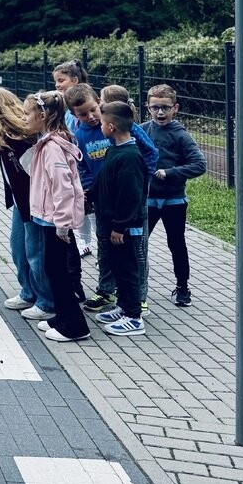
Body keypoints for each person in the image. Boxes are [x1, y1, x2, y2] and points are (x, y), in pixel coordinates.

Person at [66, 83, 157, 315]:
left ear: (99, 102)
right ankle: (106, 291)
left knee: (137, 251)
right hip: (103, 202)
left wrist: (140, 182)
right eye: (82, 114)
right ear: (74, 115)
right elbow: (82, 166)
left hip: (130, 201)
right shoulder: (78, 135)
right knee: (105, 249)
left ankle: (139, 298)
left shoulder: (121, 125)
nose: (90, 117)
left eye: (93, 110)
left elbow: (150, 152)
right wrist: (89, 190)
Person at [0, 88, 51, 318]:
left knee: (34, 251)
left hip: (32, 203)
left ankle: (46, 302)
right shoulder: (7, 136)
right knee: (19, 247)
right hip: (21, 202)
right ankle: (28, 292)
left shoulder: (18, 137)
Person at [24, 90, 89, 342]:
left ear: (43, 115)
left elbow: (63, 186)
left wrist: (62, 224)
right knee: (53, 268)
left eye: (26, 113)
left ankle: (75, 325)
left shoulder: (53, 146)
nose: (23, 118)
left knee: (57, 271)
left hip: (55, 220)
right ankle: (61, 316)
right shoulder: (48, 141)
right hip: (48, 216)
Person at [144, 84, 207, 307]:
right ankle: (134, 286)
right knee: (139, 244)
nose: (160, 113)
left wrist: (170, 173)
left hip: (173, 201)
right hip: (147, 200)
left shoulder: (181, 135)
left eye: (165, 108)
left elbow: (199, 165)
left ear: (175, 108)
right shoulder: (142, 130)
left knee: (176, 243)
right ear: (147, 107)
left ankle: (182, 287)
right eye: (155, 108)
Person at [92, 101, 148, 336]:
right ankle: (124, 307)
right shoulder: (115, 150)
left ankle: (134, 317)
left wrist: (120, 226)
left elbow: (130, 196)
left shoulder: (130, 157)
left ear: (112, 126)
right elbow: (107, 182)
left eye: (103, 123)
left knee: (128, 269)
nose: (101, 127)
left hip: (124, 228)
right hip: (110, 222)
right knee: (117, 266)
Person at [52, 59, 93, 257]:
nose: (58, 85)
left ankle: (96, 243)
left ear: (74, 80)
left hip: (87, 163)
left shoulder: (85, 105)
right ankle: (84, 241)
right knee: (80, 205)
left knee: (90, 206)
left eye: (62, 80)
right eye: (56, 82)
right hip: (73, 163)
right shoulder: (65, 108)